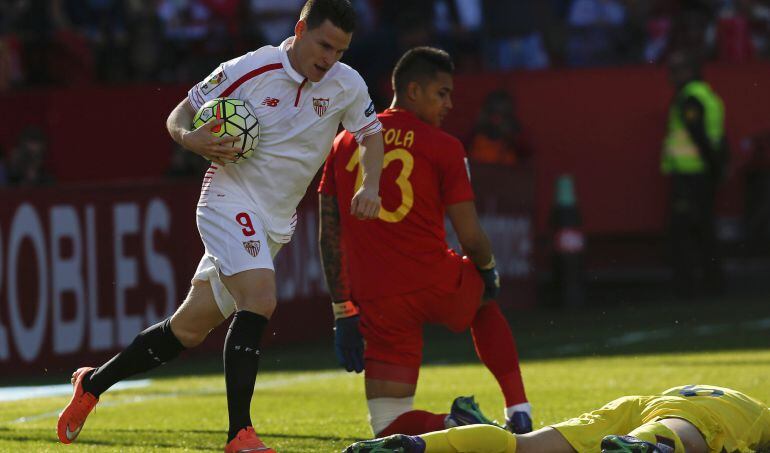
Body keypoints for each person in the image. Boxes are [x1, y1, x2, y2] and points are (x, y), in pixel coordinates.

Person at [56, 1, 385, 452]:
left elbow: (371, 135)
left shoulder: (346, 84)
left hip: (274, 222)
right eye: (324, 45)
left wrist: (371, 184)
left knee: (188, 330)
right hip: (228, 199)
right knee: (260, 298)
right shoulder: (251, 67)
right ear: (301, 29)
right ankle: (240, 436)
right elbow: (180, 114)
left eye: (340, 51)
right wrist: (191, 139)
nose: (329, 59)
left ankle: (92, 383)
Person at [318, 46, 532, 441]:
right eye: (442, 93)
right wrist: (486, 269)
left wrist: (342, 309)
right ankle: (518, 411)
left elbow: (328, 235)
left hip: (380, 300)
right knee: (482, 297)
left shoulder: (342, 143)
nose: (450, 104)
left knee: (387, 427)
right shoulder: (444, 146)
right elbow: (470, 235)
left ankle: (454, 424)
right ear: (412, 90)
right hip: (436, 279)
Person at [345, 384, 770, 453]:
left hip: (635, 402)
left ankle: (421, 444)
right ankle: (646, 446)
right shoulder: (758, 416)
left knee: (525, 447)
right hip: (683, 411)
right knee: (687, 436)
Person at [661, 50, 727, 299]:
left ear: (688, 71)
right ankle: (712, 283)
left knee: (684, 232)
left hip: (690, 176)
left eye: (675, 70)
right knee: (703, 230)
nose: (670, 76)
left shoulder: (690, 99)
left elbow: (698, 134)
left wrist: (713, 167)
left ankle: (689, 287)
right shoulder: (707, 96)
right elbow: (718, 137)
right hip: (700, 174)